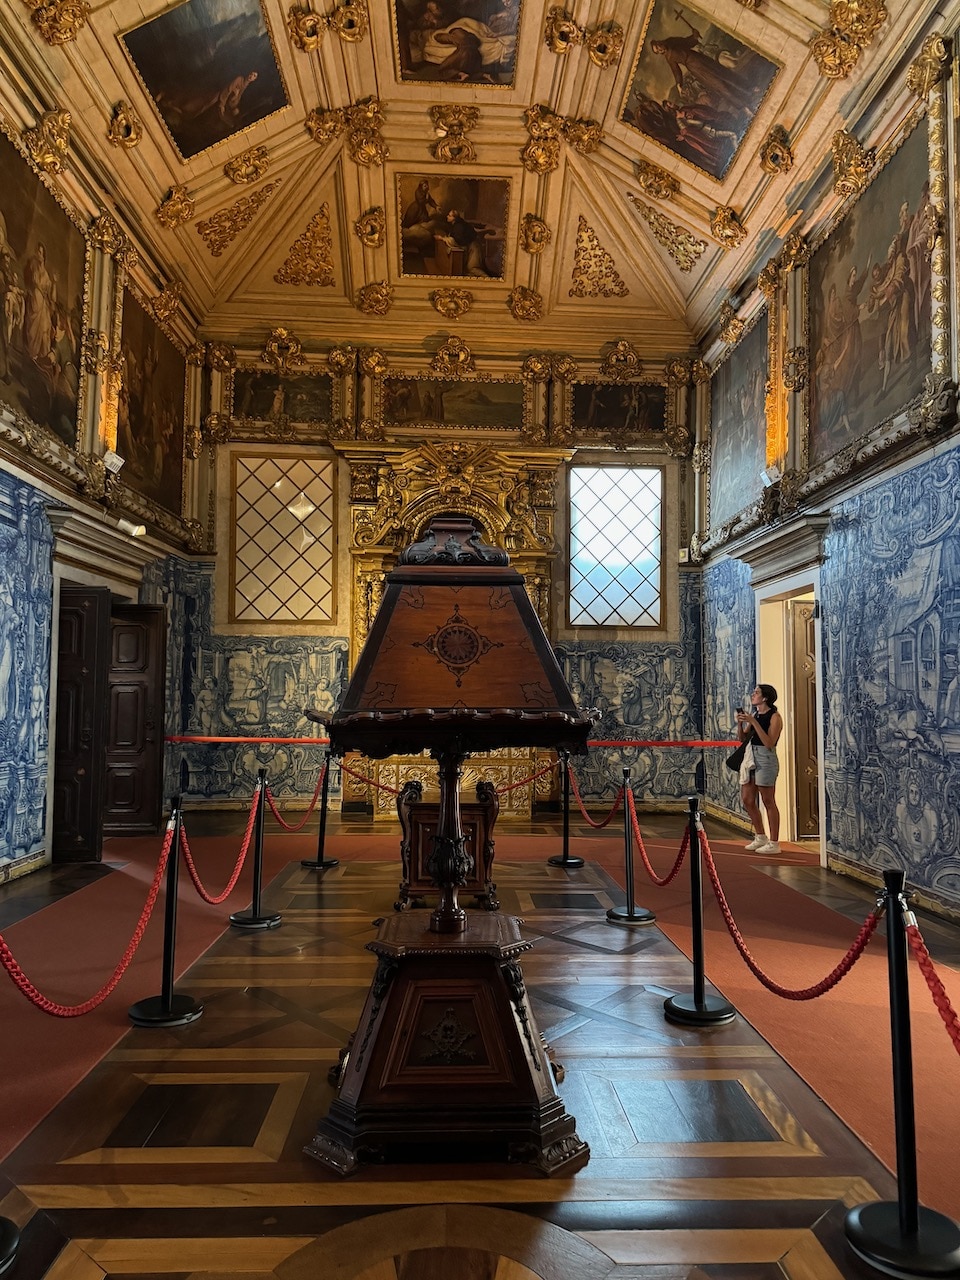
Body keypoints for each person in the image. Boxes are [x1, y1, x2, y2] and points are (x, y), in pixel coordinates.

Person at [735, 683, 782, 853]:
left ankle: (775, 843)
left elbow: (769, 742)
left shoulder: (774, 716)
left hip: (766, 758)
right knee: (748, 799)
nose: (753, 695)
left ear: (765, 698)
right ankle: (760, 836)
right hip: (751, 757)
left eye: (756, 693)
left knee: (768, 800)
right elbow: (743, 739)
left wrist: (754, 722)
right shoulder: (755, 714)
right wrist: (741, 724)